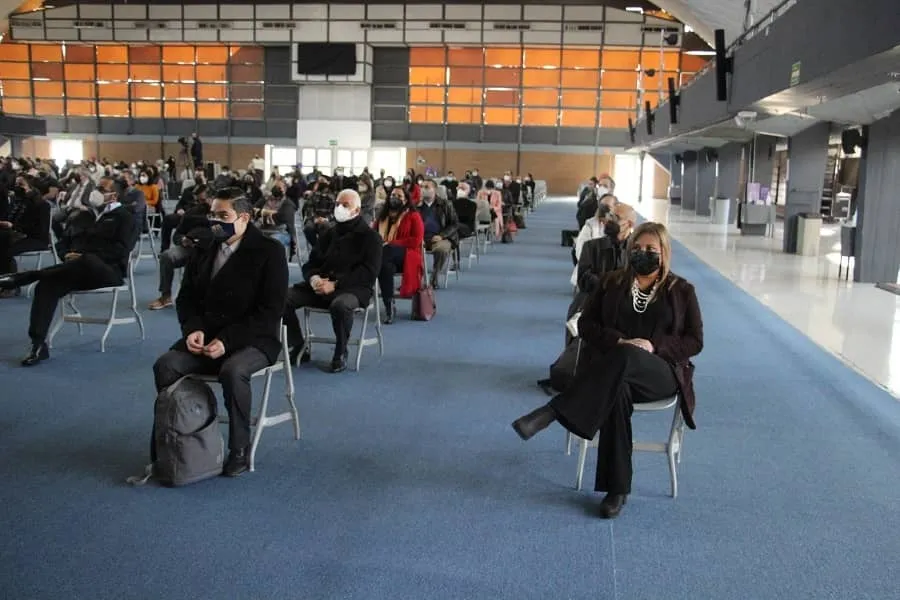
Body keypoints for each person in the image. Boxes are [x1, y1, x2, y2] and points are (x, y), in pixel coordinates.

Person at [511, 222, 703, 519]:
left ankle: (553, 411)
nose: (643, 254)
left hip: (659, 374)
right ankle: (617, 490)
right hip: (614, 373)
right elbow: (586, 325)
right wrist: (619, 341)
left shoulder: (682, 291)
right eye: (637, 249)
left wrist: (653, 346)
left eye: (651, 249)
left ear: (664, 253)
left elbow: (694, 341)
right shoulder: (611, 282)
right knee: (617, 391)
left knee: (625, 359)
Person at [152, 194, 288, 477]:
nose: (215, 222)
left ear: (244, 218)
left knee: (233, 371)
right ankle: (179, 435)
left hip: (254, 338)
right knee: (165, 365)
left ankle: (239, 447)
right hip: (206, 335)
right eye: (212, 215)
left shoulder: (269, 251)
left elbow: (270, 311)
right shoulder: (205, 246)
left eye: (223, 217)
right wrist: (193, 329)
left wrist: (227, 341)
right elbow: (186, 298)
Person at [0, 179, 137, 366]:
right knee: (47, 285)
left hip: (108, 271)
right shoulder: (86, 216)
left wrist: (83, 255)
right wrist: (68, 255)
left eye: (101, 189)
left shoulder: (125, 217)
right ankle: (38, 345)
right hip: (77, 269)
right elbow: (63, 243)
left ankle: (26, 276)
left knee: (88, 259)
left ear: (114, 195)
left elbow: (122, 250)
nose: (95, 192)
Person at [283, 189, 382, 373]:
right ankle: (298, 345)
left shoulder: (371, 237)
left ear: (357, 211)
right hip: (321, 284)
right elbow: (311, 263)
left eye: (346, 205)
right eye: (338, 204)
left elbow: (368, 273)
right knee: (282, 298)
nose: (340, 208)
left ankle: (340, 351)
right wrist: (313, 279)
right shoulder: (329, 233)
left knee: (340, 306)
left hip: (352, 289)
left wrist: (335, 284)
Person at [147, 185, 214, 311]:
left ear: (213, 198)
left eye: (204, 201)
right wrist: (183, 240)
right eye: (198, 201)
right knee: (167, 256)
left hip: (212, 249)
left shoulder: (223, 214)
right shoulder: (191, 213)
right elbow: (177, 235)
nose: (201, 204)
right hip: (189, 248)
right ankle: (165, 296)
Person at [375, 187, 425, 324]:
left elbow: (416, 240)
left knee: (386, 250)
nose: (395, 197)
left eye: (399, 195)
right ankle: (389, 306)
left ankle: (364, 289)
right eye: (392, 195)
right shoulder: (382, 217)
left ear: (406, 199)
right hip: (386, 257)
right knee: (384, 267)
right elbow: (373, 235)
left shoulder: (413, 216)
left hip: (408, 254)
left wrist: (391, 243)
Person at [0, 176, 52, 297]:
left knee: (6, 250)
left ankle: (12, 286)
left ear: (31, 187)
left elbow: (40, 230)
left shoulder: (42, 205)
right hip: (20, 235)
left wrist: (14, 226)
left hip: (37, 239)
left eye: (21, 185)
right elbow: (12, 220)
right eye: (17, 184)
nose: (18, 187)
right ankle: (4, 282)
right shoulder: (18, 202)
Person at [415, 179, 458, 288]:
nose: (423, 190)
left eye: (427, 187)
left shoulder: (446, 204)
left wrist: (441, 235)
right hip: (421, 238)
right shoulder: (416, 206)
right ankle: (415, 279)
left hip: (441, 237)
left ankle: (434, 275)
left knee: (441, 249)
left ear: (435, 190)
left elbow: (454, 224)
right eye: (422, 187)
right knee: (410, 249)